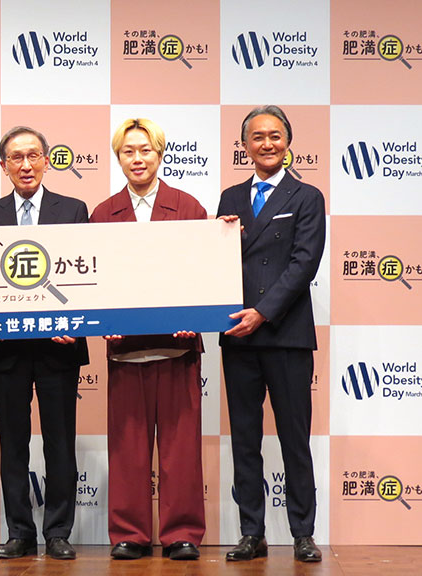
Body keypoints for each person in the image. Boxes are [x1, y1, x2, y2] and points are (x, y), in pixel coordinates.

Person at [90, 118, 206, 561]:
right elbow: (95, 281)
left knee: (181, 449)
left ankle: (182, 534)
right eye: (128, 152)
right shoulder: (103, 213)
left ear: (160, 154)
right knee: (128, 449)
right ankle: (130, 534)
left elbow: (205, 274)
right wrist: (104, 321)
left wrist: (195, 318)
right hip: (125, 352)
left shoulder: (188, 207)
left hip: (178, 349)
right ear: (118, 158)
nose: (137, 159)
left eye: (145, 150)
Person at [0, 126, 89, 560]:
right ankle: (19, 532)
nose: (26, 165)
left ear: (47, 160)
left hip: (59, 346)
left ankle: (58, 531)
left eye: (33, 156)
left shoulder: (73, 210)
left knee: (60, 443)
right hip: (7, 350)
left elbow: (87, 274)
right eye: (16, 158)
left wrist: (76, 323)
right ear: (4, 166)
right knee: (13, 444)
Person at [217, 105, 325, 563]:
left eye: (275, 135)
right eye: (257, 137)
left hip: (286, 334)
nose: (267, 144)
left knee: (294, 438)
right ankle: (251, 532)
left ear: (288, 142)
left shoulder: (307, 196)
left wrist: (262, 312)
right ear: (244, 146)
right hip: (238, 335)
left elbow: (304, 263)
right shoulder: (229, 198)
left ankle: (303, 533)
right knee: (245, 438)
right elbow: (217, 262)